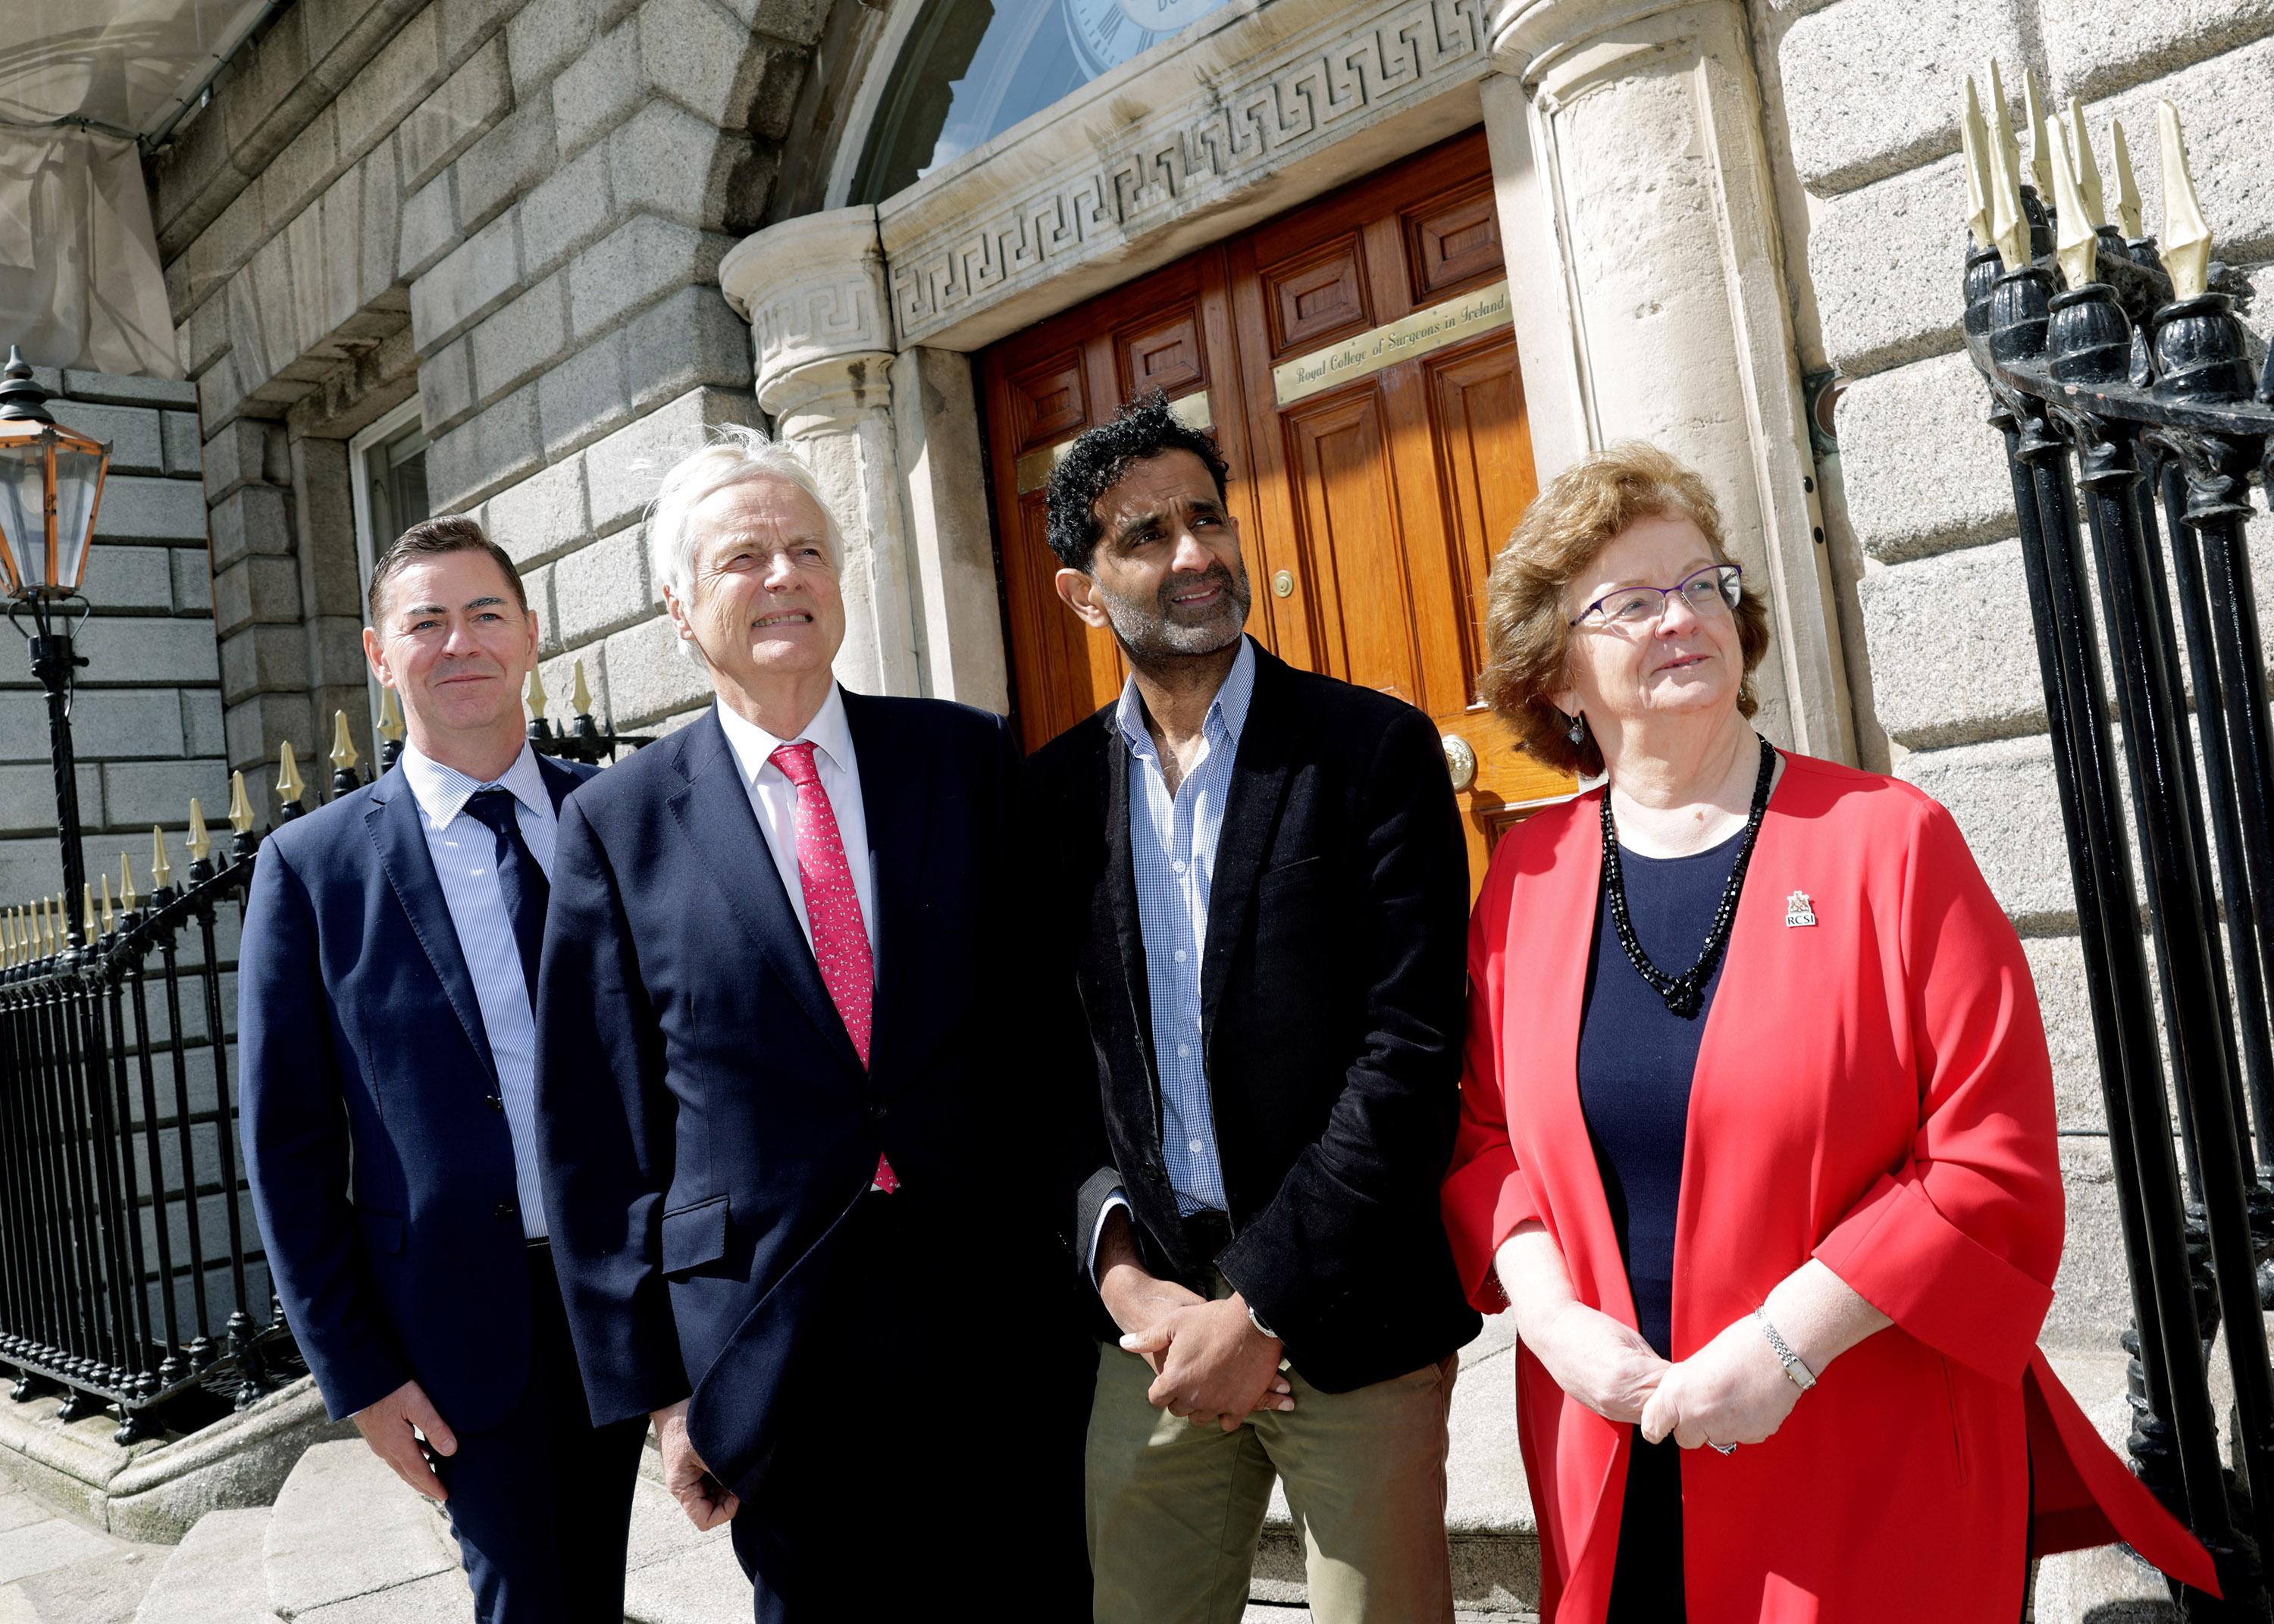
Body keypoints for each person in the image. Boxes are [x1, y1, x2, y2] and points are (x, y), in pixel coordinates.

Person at [1437, 441, 2217, 1622]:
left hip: (1857, 1431)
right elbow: (1485, 1138)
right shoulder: (1530, 875)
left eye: (1703, 584)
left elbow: (1988, 1163)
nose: (1682, 617)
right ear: (1555, 676)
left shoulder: (1889, 844)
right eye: (1632, 602)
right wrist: (1550, 1325)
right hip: (1612, 1439)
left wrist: (1785, 1349)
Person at [531, 426, 1088, 1622]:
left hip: (991, 1309)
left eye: (806, 551)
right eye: (744, 559)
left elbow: (1043, 1029)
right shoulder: (618, 824)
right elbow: (594, 1130)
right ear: (681, 610)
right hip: (775, 1344)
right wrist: (665, 1396)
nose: (783, 577)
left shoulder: (962, 756)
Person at [1023, 393, 1480, 1624]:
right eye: (1143, 535)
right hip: (1154, 1333)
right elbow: (1051, 1075)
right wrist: (1124, 1279)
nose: (1193, 556)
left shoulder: (1369, 751)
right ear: (1081, 590)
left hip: (1347, 1312)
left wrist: (1262, 1303)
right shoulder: (1052, 800)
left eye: (1207, 519)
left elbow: (1411, 1056)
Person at [240, 517, 644, 1624]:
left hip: (641, 1285)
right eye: (425, 622)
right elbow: (288, 1144)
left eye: (484, 614)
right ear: (380, 655)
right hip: (463, 1318)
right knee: (529, 1601)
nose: (458, 642)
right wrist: (357, 1377)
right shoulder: (312, 868)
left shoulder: (618, 814)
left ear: (529, 636)